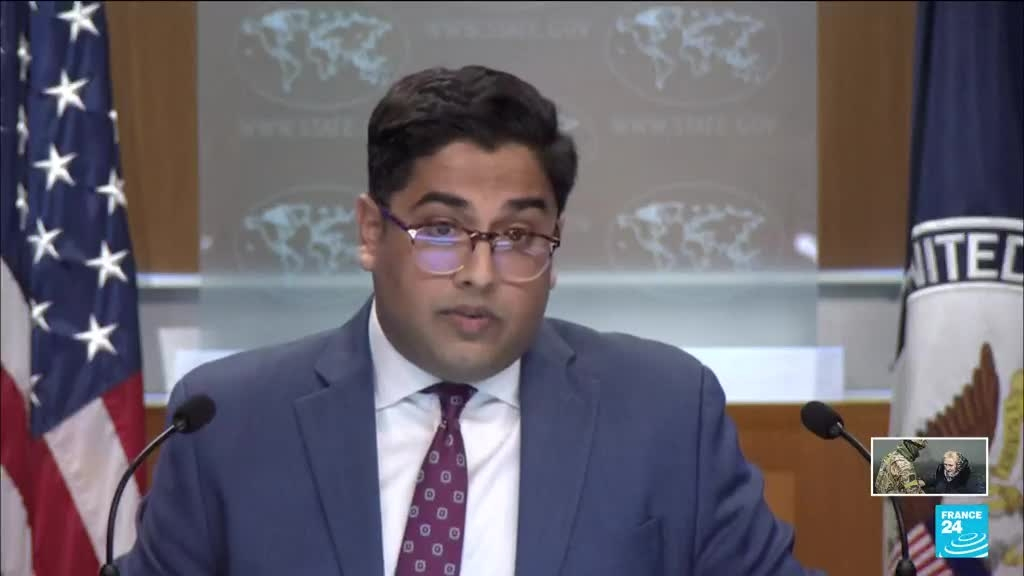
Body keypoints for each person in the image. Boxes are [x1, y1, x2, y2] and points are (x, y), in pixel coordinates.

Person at [116, 65, 824, 575]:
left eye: (517, 236)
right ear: (371, 232)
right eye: (441, 231)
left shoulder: (664, 409)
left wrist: (907, 490)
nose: (480, 273)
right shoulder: (228, 424)